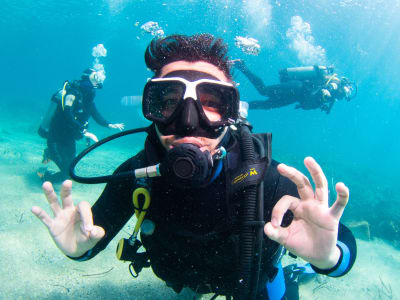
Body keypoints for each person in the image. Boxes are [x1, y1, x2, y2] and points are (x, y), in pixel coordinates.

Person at [32, 34, 356, 300]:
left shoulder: (264, 178)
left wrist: (330, 258)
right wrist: (78, 251)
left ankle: (296, 271)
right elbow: (90, 239)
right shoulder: (136, 174)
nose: (189, 123)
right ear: (151, 107)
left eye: (212, 103)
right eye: (169, 102)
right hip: (187, 276)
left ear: (233, 113)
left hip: (252, 284)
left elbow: (342, 249)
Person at [37, 68, 125, 183]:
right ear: (88, 77)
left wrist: (110, 125)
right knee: (68, 173)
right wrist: (84, 131)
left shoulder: (87, 98)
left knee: (71, 169)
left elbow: (96, 115)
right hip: (55, 138)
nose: (99, 81)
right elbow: (67, 112)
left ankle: (49, 153)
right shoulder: (72, 93)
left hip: (69, 139)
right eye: (96, 77)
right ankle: (44, 178)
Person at [233, 59, 356, 114]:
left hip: (296, 97)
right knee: (264, 91)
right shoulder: (334, 85)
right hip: (298, 87)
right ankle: (242, 66)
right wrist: (324, 93)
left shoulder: (332, 98)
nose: (343, 96)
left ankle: (237, 106)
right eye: (345, 93)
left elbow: (309, 104)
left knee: (266, 105)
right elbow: (327, 89)